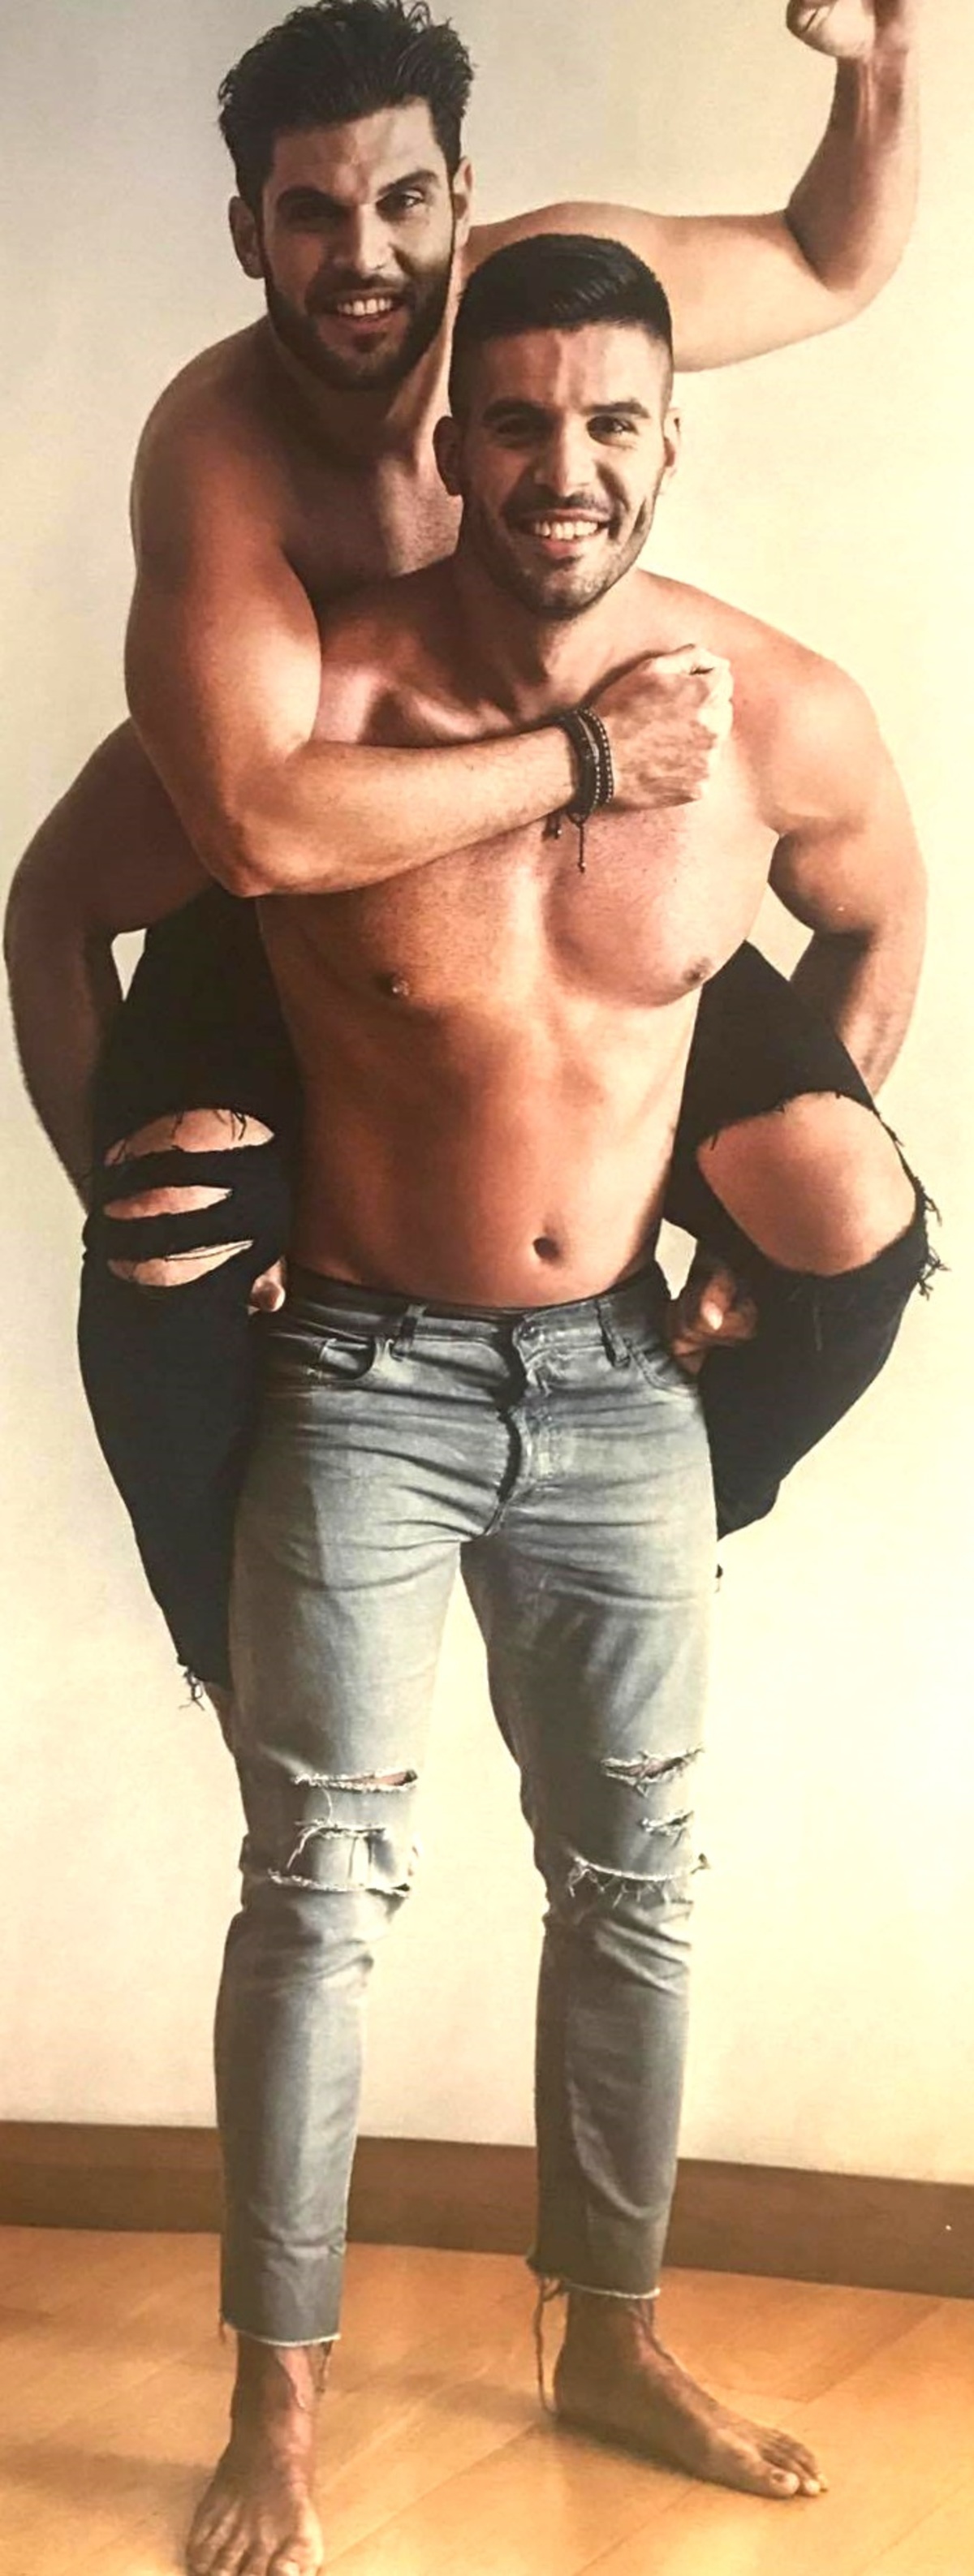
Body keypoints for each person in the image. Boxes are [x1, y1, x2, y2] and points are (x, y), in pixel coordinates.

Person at [168, 233, 928, 2576]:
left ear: (670, 438)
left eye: (611, 421)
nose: (565, 465)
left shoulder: (777, 707)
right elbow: (59, 899)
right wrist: (160, 1213)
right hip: (359, 1375)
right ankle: (277, 2405)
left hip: (621, 1386)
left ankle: (615, 2331)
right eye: (518, 421)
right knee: (319, 1892)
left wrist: (750, 1200)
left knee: (639, 1885)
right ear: (454, 442)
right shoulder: (325, 697)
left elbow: (883, 903)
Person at [4, 0, 926, 1712]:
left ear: (463, 196)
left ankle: (636, 1517)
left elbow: (828, 259)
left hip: (573, 886)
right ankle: (248, 1666)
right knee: (168, 1233)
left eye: (404, 203)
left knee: (847, 1199)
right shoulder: (217, 460)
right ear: (247, 233)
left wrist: (885, 63)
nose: (367, 259)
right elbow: (254, 829)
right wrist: (590, 759)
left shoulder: (545, 303)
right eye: (312, 214)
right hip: (311, 876)